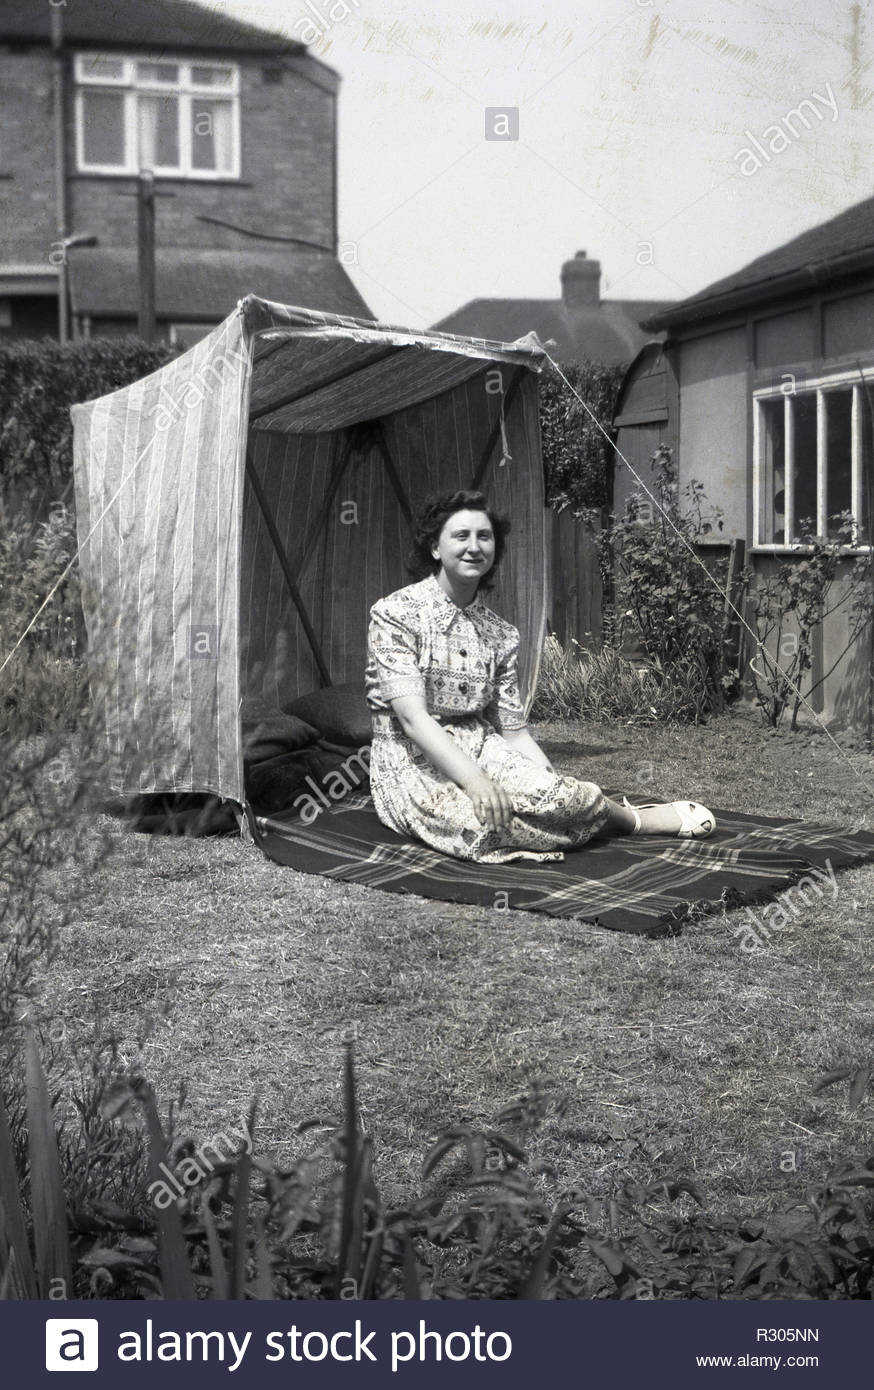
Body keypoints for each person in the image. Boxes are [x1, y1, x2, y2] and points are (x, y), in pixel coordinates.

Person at [364, 490, 715, 864]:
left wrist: (552, 787)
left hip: (483, 747)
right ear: (435, 548)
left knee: (559, 796)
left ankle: (633, 819)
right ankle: (601, 821)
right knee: (479, 827)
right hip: (410, 762)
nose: (474, 547)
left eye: (484, 537)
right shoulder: (395, 614)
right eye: (460, 536)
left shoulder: (500, 634)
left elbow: (513, 732)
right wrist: (475, 781)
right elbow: (413, 720)